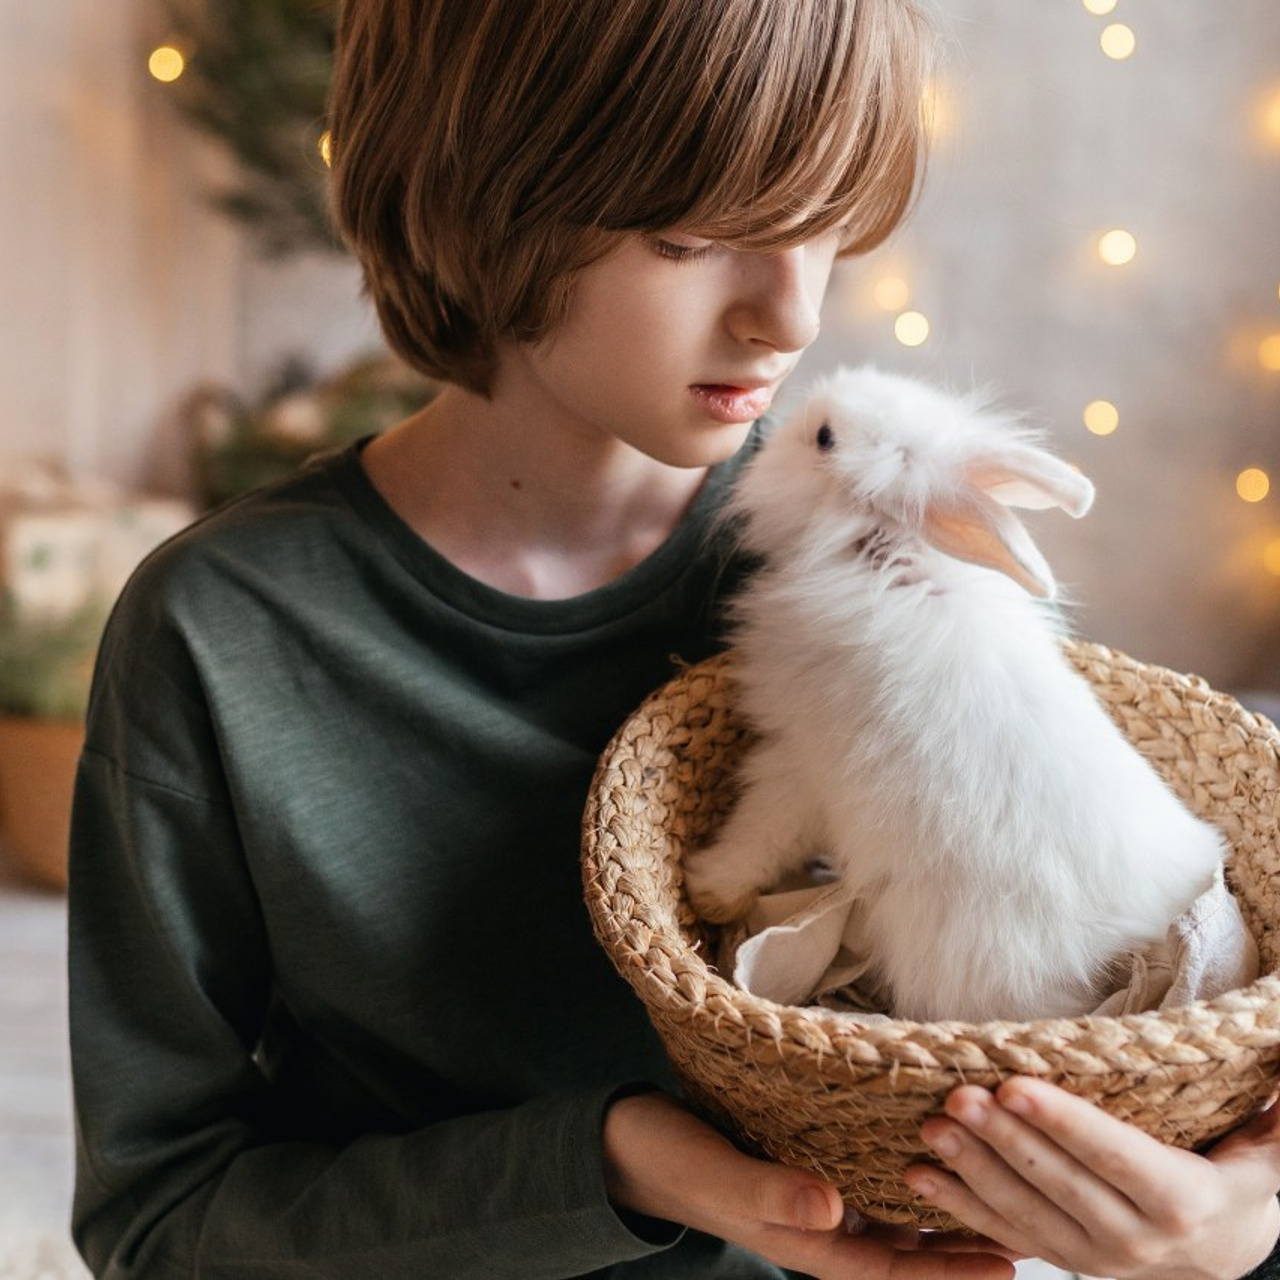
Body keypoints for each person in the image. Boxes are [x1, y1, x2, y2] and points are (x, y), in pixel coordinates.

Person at [65, 1, 1280, 1277]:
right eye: (691, 233)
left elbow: (1169, 1006)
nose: (789, 315)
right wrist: (606, 1165)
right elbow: (160, 1221)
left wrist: (1242, 1214)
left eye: (823, 221)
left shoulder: (877, 567)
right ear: (479, 189)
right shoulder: (222, 635)